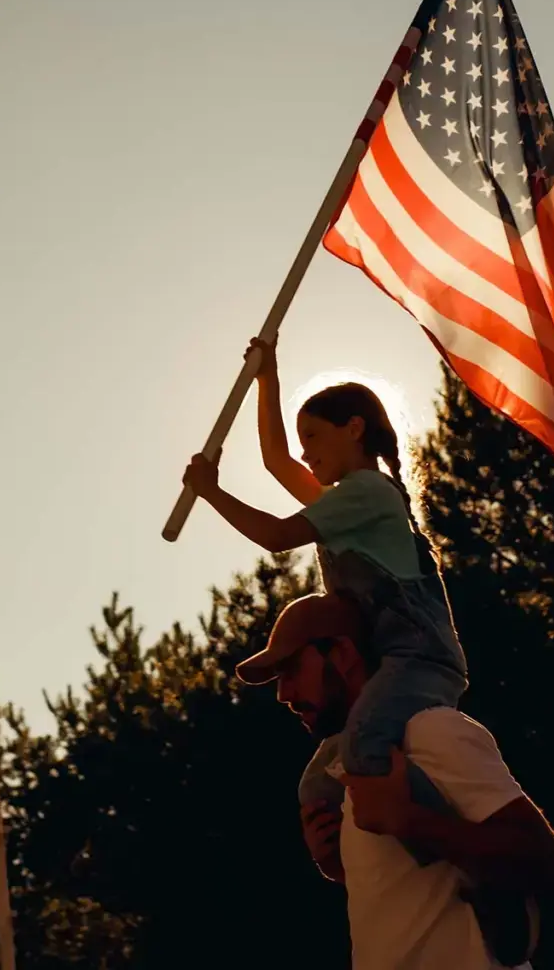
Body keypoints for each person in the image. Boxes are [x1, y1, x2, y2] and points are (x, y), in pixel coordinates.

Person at [182, 336, 468, 832]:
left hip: (420, 660)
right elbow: (275, 460)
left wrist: (212, 492)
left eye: (312, 436)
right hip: (389, 665)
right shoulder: (348, 502)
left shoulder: (366, 493)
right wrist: (266, 375)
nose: (303, 451)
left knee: (362, 746)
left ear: (353, 429)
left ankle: (454, 836)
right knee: (319, 780)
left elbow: (276, 536)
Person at [237, 593, 554, 969]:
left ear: (343, 654)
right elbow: (421, 897)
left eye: (292, 670)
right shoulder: (353, 769)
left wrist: (409, 819)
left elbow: (550, 863)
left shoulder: (432, 729)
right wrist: (338, 866)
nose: (284, 694)